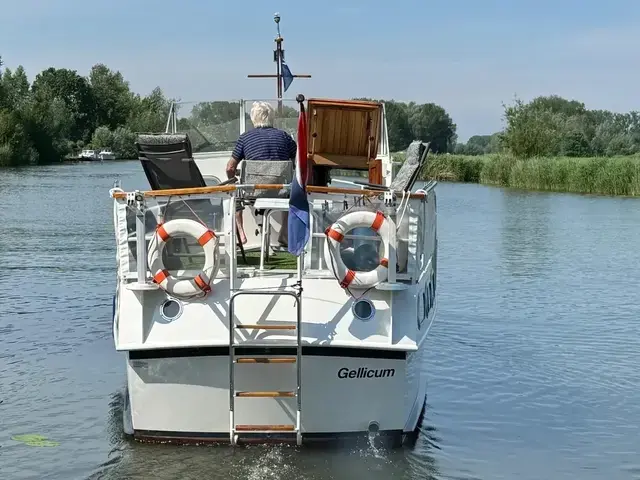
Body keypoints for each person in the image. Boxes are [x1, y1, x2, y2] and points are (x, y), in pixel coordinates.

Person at [226, 101, 297, 245]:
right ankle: (284, 233)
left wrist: (233, 179)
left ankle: (241, 233)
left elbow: (230, 168)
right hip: (281, 192)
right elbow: (298, 162)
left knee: (234, 194)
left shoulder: (245, 138)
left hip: (252, 192)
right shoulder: (284, 137)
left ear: (253, 118)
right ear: (272, 118)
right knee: (291, 189)